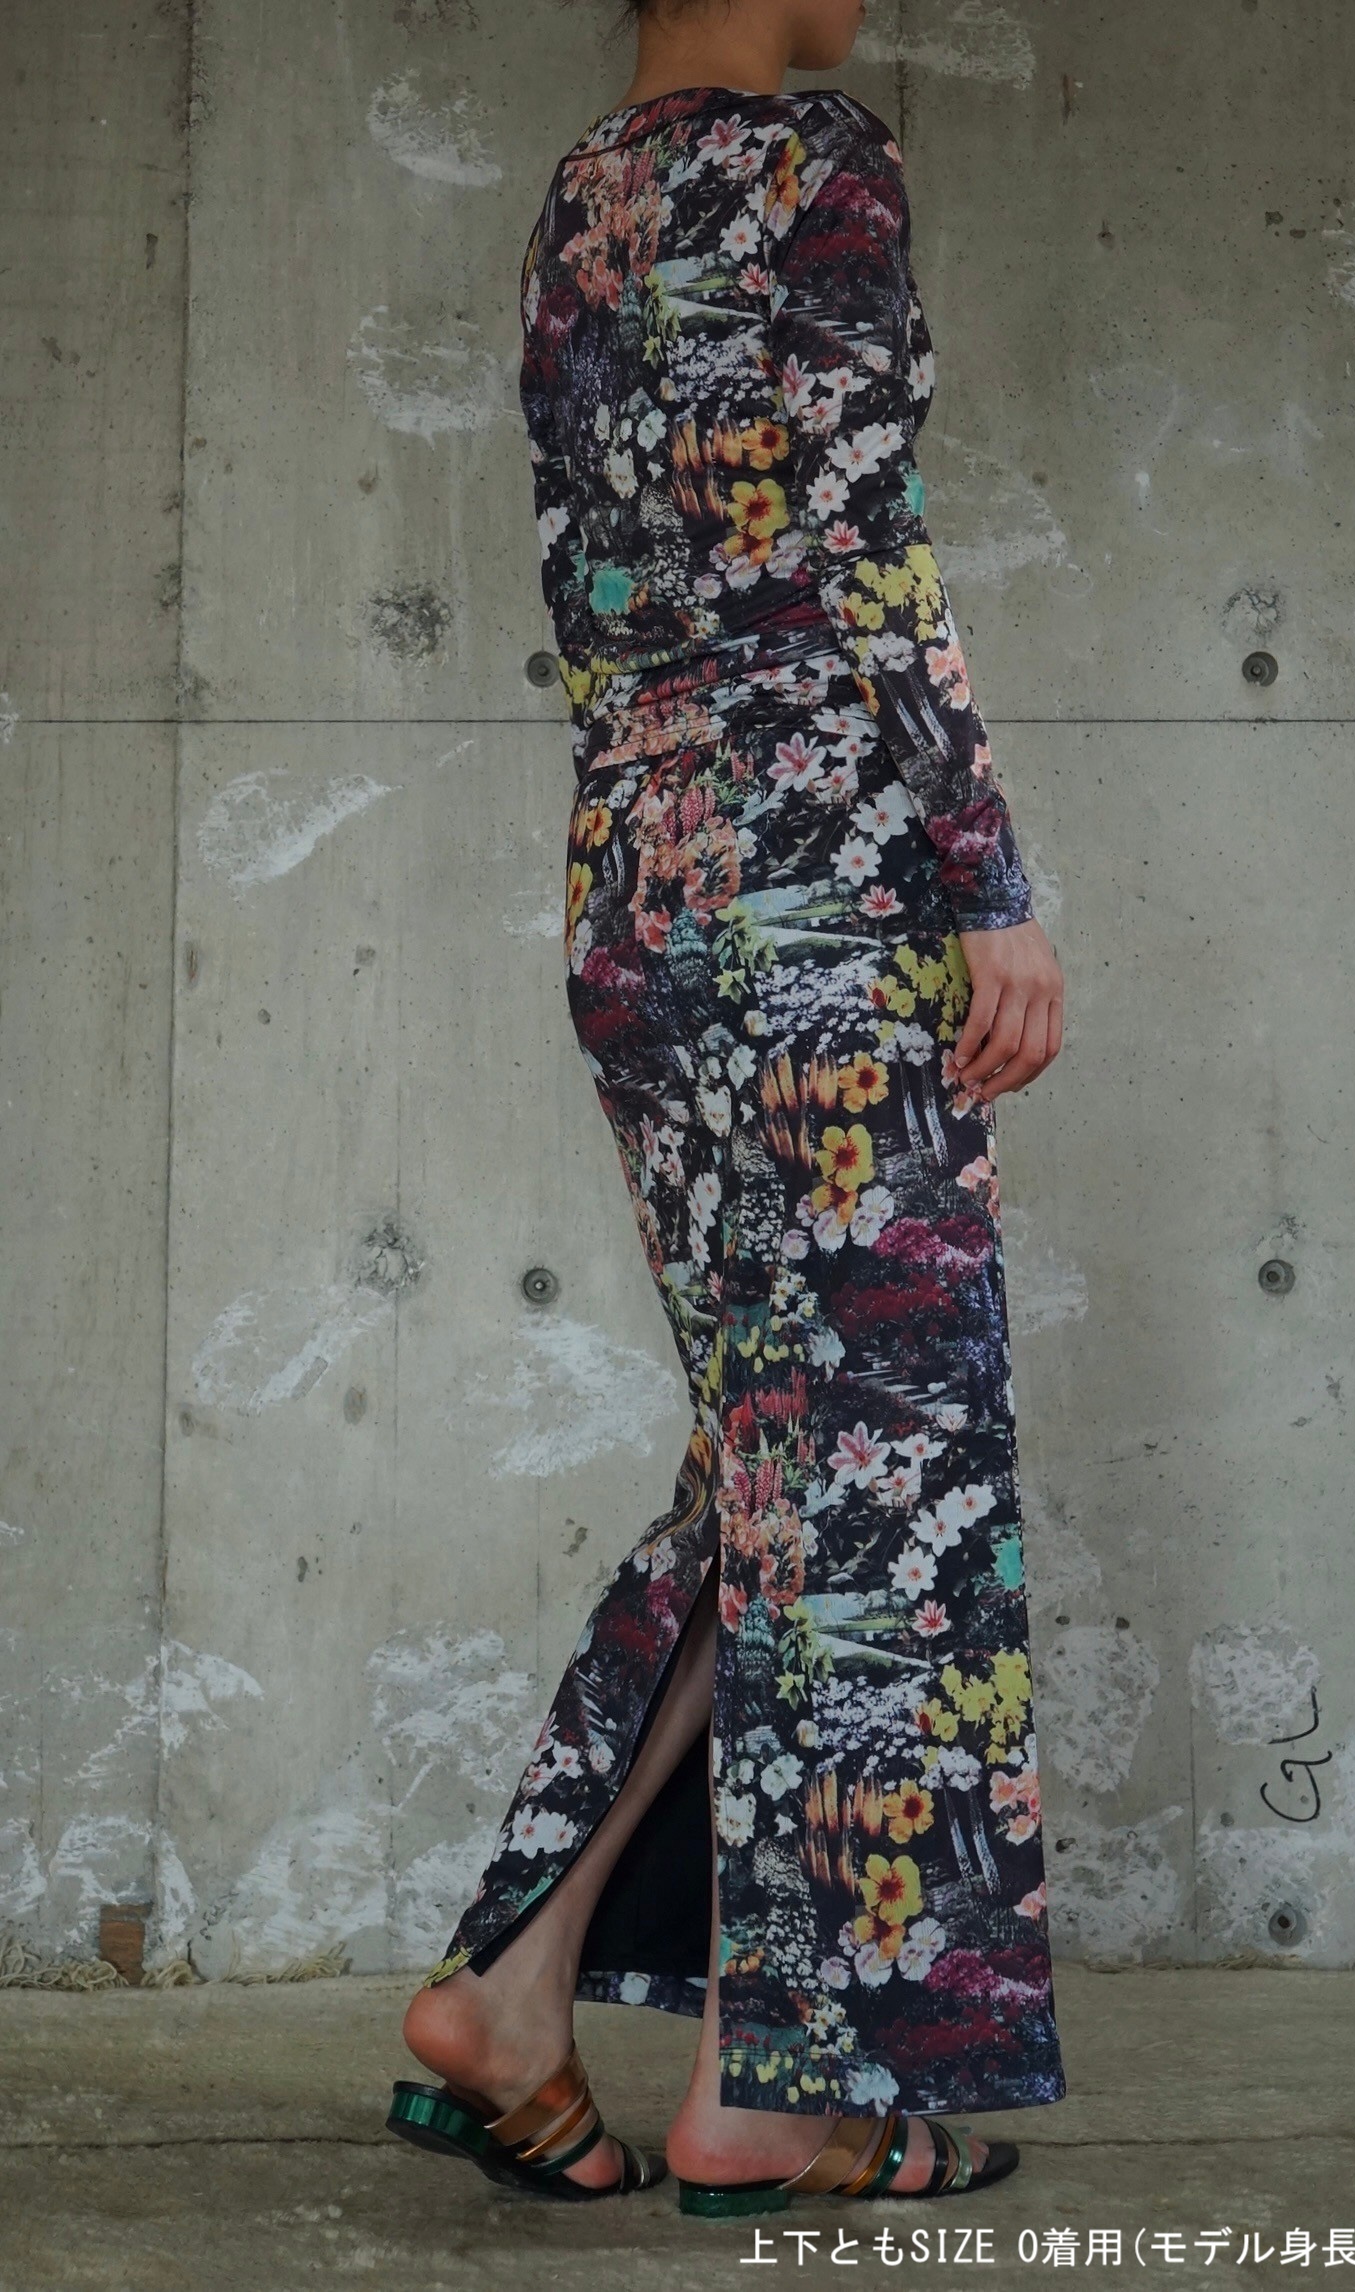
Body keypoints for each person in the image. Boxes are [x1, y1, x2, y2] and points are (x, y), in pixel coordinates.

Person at [388, 0, 1067, 2214]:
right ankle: (773, 2092)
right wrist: (989, 883)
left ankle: (517, 1988)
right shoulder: (814, 162)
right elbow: (865, 542)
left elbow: (596, 582)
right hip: (813, 880)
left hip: (641, 879)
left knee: (780, 1454)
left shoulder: (579, 201)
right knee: (875, 1474)